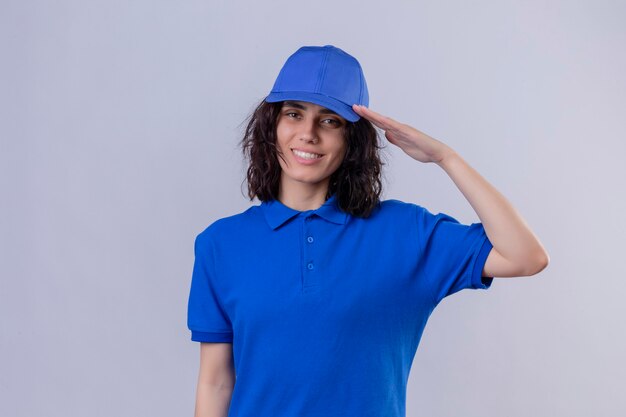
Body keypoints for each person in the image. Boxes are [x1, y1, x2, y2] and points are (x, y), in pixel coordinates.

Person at [187, 45, 549, 417]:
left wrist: (446, 158)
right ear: (272, 125)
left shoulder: (406, 234)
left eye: (330, 121)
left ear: (352, 139)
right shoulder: (220, 244)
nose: (308, 133)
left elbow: (526, 256)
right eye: (294, 114)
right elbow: (216, 382)